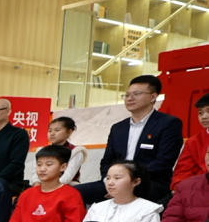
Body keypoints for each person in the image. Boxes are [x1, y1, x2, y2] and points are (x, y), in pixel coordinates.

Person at [77, 75, 184, 205]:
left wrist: (129, 180)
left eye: (136, 94)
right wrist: (109, 181)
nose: (130, 98)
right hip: (116, 182)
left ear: (153, 97)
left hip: (149, 183)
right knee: (72, 193)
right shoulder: (118, 128)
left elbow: (164, 162)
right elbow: (106, 161)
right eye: (127, 95)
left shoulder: (168, 123)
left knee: (127, 196)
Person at [171, 93, 209, 192]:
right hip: (195, 189)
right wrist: (180, 187)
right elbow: (183, 171)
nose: (204, 117)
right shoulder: (194, 141)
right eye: (200, 112)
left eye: (208, 111)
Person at [49, 116, 87, 185]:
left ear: (69, 132)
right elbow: (36, 174)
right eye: (50, 131)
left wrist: (50, 186)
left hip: (69, 185)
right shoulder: (43, 151)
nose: (52, 134)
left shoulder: (76, 151)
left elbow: (67, 178)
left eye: (57, 130)